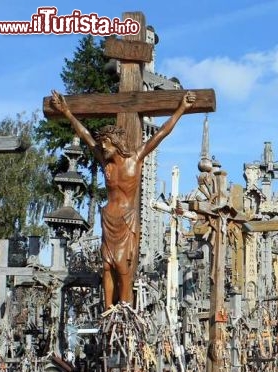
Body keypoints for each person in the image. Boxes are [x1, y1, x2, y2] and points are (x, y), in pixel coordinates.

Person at [50, 90, 196, 309]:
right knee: (106, 266)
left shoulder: (135, 159)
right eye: (101, 145)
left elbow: (161, 133)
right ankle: (108, 308)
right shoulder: (104, 161)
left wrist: (181, 108)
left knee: (122, 265)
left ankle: (126, 308)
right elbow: (85, 136)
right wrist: (67, 112)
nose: (101, 148)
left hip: (127, 218)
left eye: (105, 144)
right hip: (109, 217)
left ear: (115, 143)